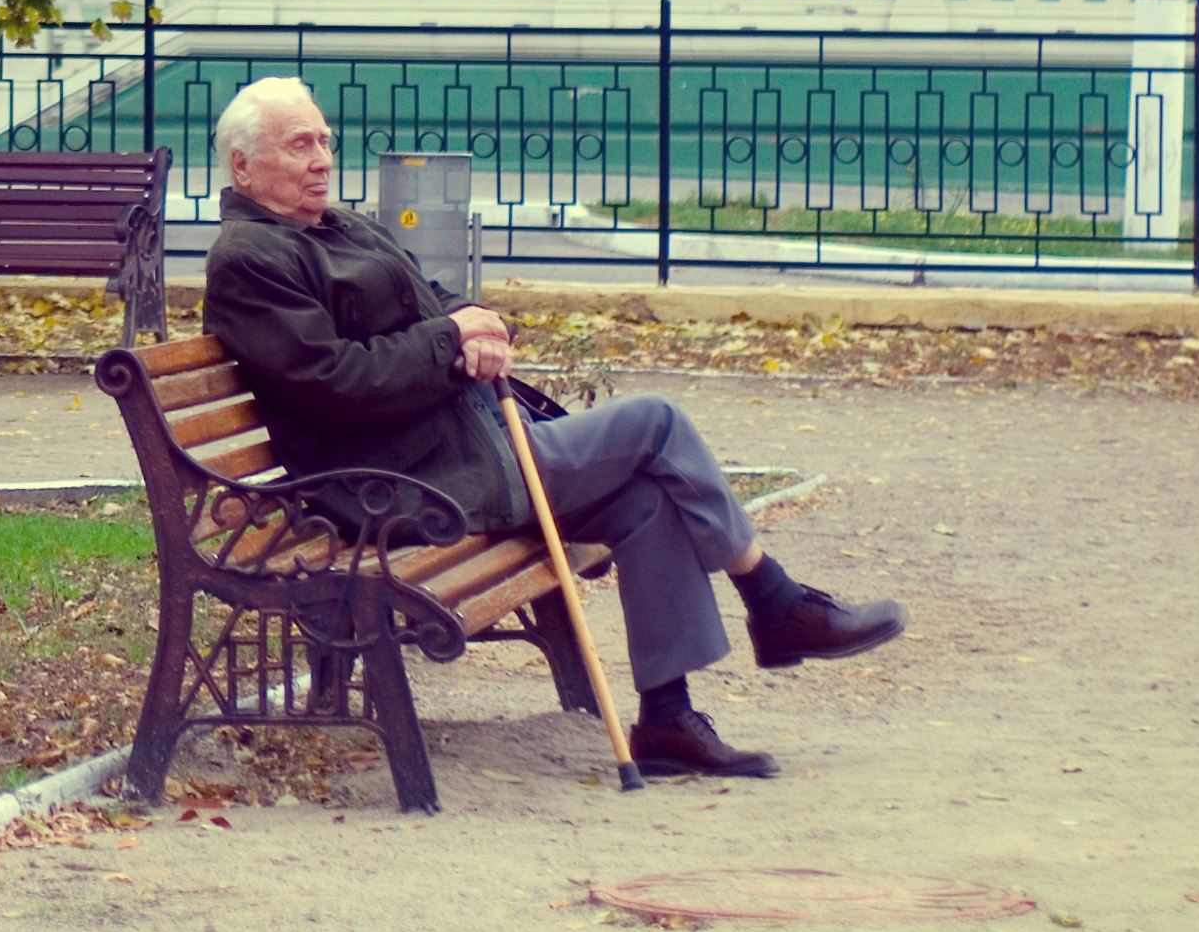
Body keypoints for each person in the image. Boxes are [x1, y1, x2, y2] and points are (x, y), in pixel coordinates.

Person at [199, 76, 903, 779]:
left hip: (453, 446)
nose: (322, 159)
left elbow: (434, 300)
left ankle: (667, 719)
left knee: (645, 501)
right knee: (655, 422)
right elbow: (334, 385)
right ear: (243, 165)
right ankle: (776, 601)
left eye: (325, 141)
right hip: (400, 482)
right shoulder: (251, 259)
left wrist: (476, 325)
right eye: (300, 145)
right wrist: (449, 341)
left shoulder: (340, 227)